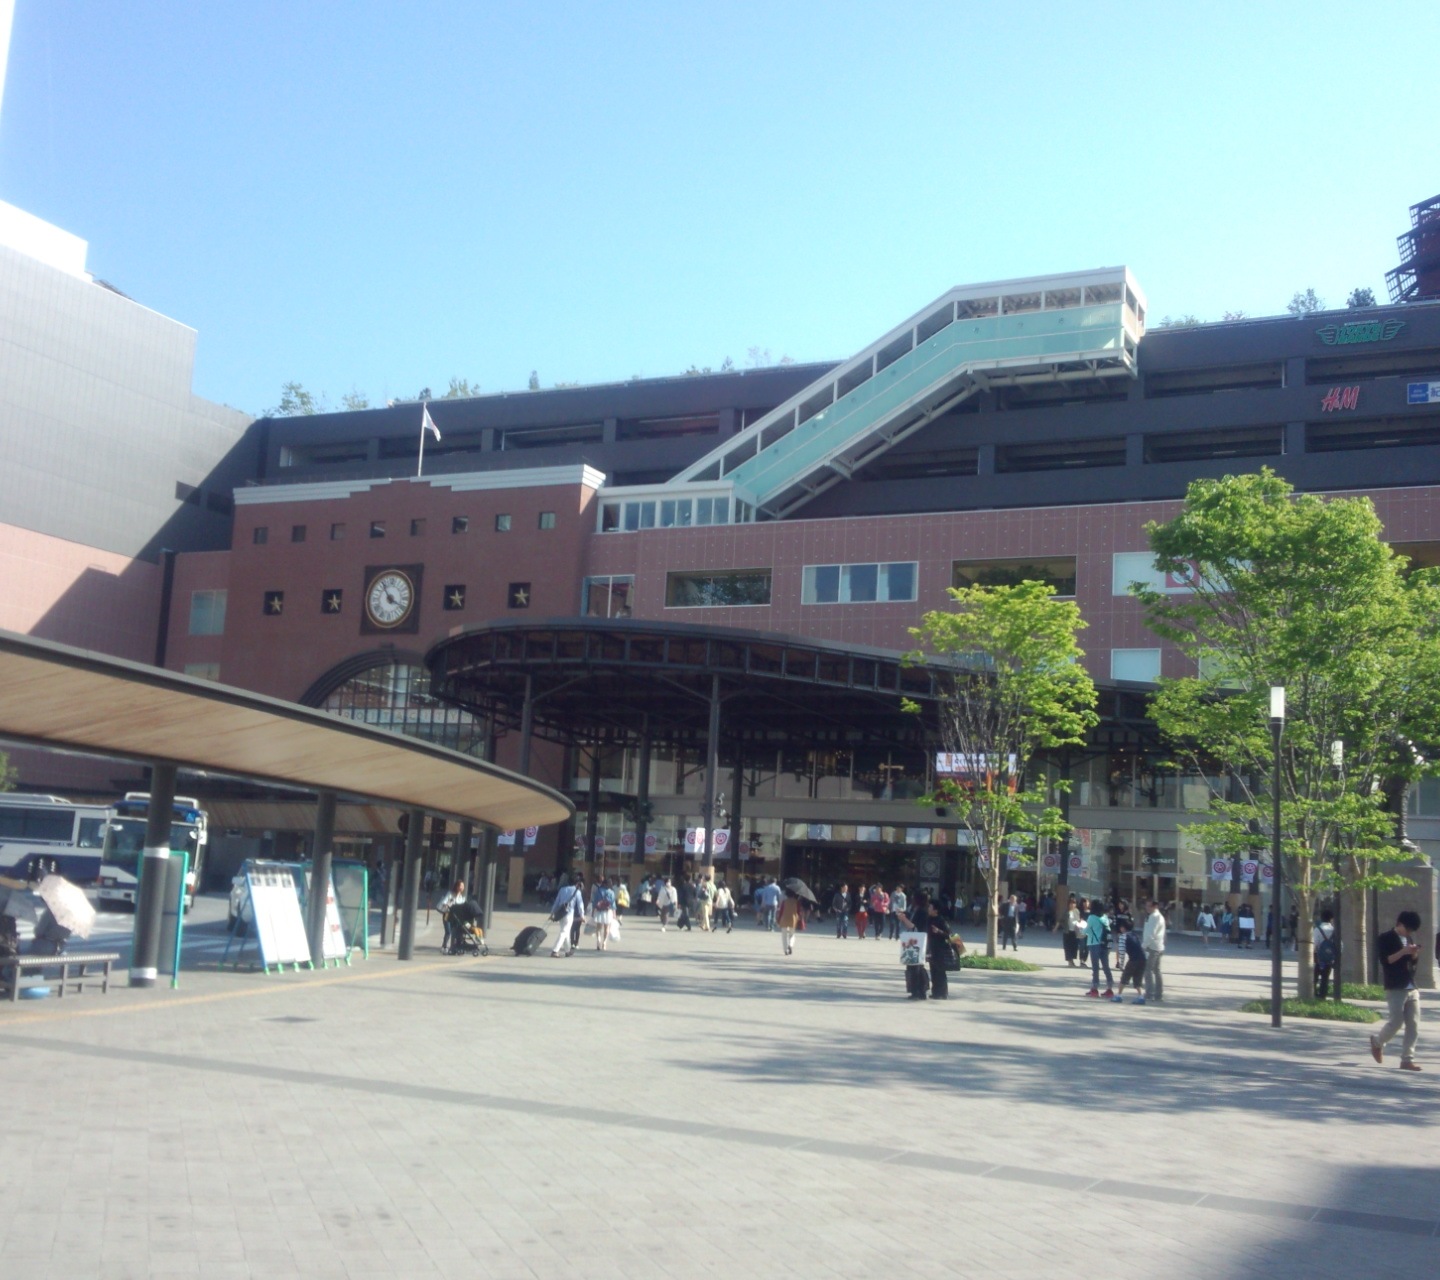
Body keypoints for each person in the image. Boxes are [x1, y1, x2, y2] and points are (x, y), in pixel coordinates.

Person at [1370, 909, 1423, 1071]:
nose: (1409, 932)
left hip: (1411, 986)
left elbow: (1412, 964)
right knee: (1396, 1022)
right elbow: (1386, 960)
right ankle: (1377, 1043)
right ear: (1399, 924)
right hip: (1395, 986)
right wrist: (1403, 951)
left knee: (1414, 1024)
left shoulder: (1409, 938)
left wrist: (1414, 955)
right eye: (1408, 929)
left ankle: (1407, 1059)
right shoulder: (1385, 938)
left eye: (1412, 930)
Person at [1085, 899, 1115, 998]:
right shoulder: (1104, 917)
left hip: (1094, 943)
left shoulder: (1091, 917)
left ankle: (1094, 988)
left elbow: (1087, 930)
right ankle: (1110, 987)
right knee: (1106, 966)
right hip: (1104, 944)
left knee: (1095, 966)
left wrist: (1080, 929)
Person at [1138, 899, 1166, 1005]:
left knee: (1148, 970)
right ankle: (1158, 994)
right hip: (1158, 946)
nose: (1147, 908)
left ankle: (1150, 993)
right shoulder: (1158, 916)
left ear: (1155, 906)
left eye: (1149, 906)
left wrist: (1143, 946)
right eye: (1146, 906)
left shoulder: (1154, 917)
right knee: (1156, 970)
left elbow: (1151, 934)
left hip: (1152, 947)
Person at [548, 877, 585, 957]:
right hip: (569, 914)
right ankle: (555, 950)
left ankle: (567, 951)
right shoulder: (577, 891)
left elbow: (556, 902)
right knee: (564, 932)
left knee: (566, 932)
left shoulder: (562, 890)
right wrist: (582, 915)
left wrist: (552, 913)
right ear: (577, 883)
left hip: (560, 913)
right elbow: (580, 904)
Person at [1114, 927, 1146, 1001]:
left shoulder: (1123, 937)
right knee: (1137, 978)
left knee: (1124, 977)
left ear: (1122, 928)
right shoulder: (1135, 935)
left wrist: (1121, 965)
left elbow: (1122, 952)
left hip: (1133, 959)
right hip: (1142, 959)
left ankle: (1118, 996)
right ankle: (1141, 997)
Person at [1313, 908, 1337, 1000]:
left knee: (1315, 976)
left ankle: (1314, 993)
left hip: (1319, 957)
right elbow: (1340, 945)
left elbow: (1314, 943)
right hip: (1329, 958)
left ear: (1321, 918)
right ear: (1331, 919)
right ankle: (1323, 995)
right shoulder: (1334, 930)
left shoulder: (1317, 929)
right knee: (1325, 977)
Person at [439, 879, 466, 954]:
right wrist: (448, 904)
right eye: (461, 886)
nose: (462, 887)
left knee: (455, 932)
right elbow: (444, 902)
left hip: (455, 917)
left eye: (463, 886)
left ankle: (454, 947)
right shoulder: (450, 894)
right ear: (457, 887)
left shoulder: (461, 897)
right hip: (447, 915)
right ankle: (444, 946)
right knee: (448, 931)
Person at [590, 878, 617, 951]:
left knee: (598, 927)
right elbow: (613, 904)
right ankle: (604, 942)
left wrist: (593, 911)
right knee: (606, 928)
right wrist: (614, 914)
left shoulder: (598, 891)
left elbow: (595, 902)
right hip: (608, 911)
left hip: (599, 911)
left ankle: (598, 940)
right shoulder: (611, 892)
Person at [778, 887, 803, 956]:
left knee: (784, 936)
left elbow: (781, 911)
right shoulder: (797, 902)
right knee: (792, 935)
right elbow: (799, 912)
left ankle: (785, 950)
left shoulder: (784, 901)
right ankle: (791, 945)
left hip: (784, 919)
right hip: (793, 919)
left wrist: (778, 920)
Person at [1063, 895, 1084, 967]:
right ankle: (1070, 961)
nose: (1072, 905)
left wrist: (1080, 921)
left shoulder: (1077, 911)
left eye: (1074, 903)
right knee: (1067, 947)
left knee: (1074, 947)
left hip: (1075, 931)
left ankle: (1072, 960)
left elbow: (1078, 919)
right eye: (1071, 903)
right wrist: (1056, 928)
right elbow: (1060, 920)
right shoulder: (1066, 911)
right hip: (1067, 931)